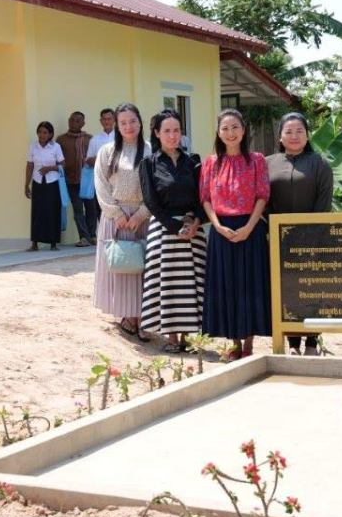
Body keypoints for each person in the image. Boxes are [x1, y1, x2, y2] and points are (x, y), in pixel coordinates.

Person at [200, 109, 271, 358]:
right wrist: (218, 226)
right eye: (225, 128)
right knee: (226, 287)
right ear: (218, 133)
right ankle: (234, 343)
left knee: (250, 286)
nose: (231, 133)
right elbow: (205, 198)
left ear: (244, 129)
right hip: (221, 231)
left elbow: (263, 195)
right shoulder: (211, 163)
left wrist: (249, 227)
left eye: (235, 127)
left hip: (251, 229)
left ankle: (249, 344)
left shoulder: (257, 160)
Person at [139, 109, 207, 352]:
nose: (172, 135)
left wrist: (195, 222)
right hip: (164, 230)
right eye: (166, 130)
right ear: (157, 133)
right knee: (167, 285)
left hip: (193, 230)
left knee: (191, 284)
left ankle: (189, 337)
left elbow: (203, 197)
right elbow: (151, 202)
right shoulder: (149, 164)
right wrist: (176, 227)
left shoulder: (194, 161)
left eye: (176, 130)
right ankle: (171, 338)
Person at [267, 112, 335, 355]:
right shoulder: (267, 163)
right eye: (288, 131)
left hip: (313, 238)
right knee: (287, 288)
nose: (294, 136)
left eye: (299, 131)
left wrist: (311, 232)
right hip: (279, 238)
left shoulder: (320, 164)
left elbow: (324, 202)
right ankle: (293, 343)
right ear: (280, 136)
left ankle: (312, 342)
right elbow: (262, 199)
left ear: (307, 136)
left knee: (312, 287)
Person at [94, 103, 152, 340]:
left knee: (142, 267)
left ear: (140, 122)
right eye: (123, 122)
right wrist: (116, 214)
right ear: (117, 126)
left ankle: (143, 316)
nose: (129, 126)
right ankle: (127, 314)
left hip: (142, 219)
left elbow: (156, 187)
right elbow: (101, 184)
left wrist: (142, 213)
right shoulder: (107, 151)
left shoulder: (150, 150)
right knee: (122, 266)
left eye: (133, 121)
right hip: (115, 219)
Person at [25, 121, 65, 251]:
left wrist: (49, 168)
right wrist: (26, 184)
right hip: (37, 182)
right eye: (40, 132)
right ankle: (35, 243)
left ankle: (53, 243)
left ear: (50, 134)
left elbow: (63, 165)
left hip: (52, 183)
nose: (42, 135)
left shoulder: (56, 147)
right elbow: (30, 165)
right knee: (37, 212)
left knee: (52, 212)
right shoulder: (33, 146)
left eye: (45, 132)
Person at [59, 111, 97, 246]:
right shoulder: (61, 140)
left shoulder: (90, 139)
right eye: (71, 120)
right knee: (78, 210)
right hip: (71, 180)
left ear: (83, 123)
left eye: (77, 121)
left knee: (91, 209)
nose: (73, 123)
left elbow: (96, 157)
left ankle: (92, 235)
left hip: (88, 180)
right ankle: (84, 237)